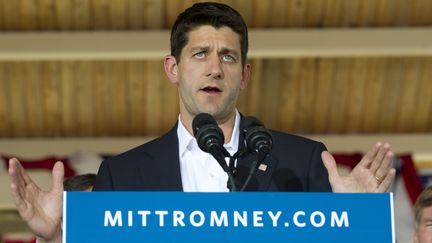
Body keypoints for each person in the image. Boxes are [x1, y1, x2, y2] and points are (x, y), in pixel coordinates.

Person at [8, 2, 396, 243]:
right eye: (199, 54)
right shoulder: (123, 174)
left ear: (244, 74)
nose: (214, 68)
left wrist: (359, 223)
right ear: (173, 68)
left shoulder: (303, 160)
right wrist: (59, 238)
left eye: (227, 57)